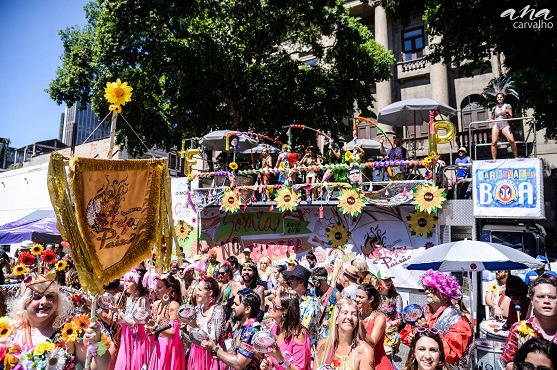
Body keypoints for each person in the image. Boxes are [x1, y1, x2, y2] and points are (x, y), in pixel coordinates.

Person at [2, 273, 111, 369]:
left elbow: (96, 368)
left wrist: (96, 342)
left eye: (50, 296)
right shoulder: (9, 331)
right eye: (37, 297)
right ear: (24, 302)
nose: (44, 301)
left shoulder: (70, 332)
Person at [400, 269, 473, 370]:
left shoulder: (459, 320)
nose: (427, 291)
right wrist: (413, 339)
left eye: (432, 289)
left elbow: (453, 353)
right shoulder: (422, 311)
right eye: (426, 288)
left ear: (445, 292)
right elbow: (406, 334)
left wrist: (428, 334)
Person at [500, 274, 557, 369]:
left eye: (552, 297)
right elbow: (509, 363)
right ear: (532, 300)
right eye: (541, 297)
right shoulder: (518, 329)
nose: (546, 301)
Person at [201, 289, 263, 370]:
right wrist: (221, 353)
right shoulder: (239, 325)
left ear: (247, 309)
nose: (232, 306)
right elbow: (234, 352)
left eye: (236, 304)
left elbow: (239, 364)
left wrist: (215, 349)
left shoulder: (253, 331)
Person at [313, 298, 375, 370]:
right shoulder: (323, 346)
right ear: (336, 319)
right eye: (345, 313)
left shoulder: (365, 351)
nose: (349, 317)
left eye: (354, 314)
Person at [261, 290, 312, 370]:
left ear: (285, 311)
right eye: (272, 302)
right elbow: (272, 356)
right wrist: (268, 363)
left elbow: (299, 368)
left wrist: (281, 359)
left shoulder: (298, 334)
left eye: (274, 305)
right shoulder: (274, 328)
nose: (270, 306)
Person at [185, 275, 226, 370]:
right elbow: (191, 334)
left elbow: (213, 338)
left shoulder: (217, 310)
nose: (196, 293)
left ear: (210, 293)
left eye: (200, 290)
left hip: (210, 355)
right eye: (197, 290)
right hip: (196, 352)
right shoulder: (197, 309)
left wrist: (194, 326)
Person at [145, 273, 185, 370]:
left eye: (159, 287)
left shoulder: (174, 306)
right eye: (156, 286)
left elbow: (172, 334)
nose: (156, 290)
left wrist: (154, 326)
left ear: (169, 289)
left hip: (169, 348)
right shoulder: (155, 304)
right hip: (157, 346)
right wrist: (150, 330)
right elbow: (155, 328)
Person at [284, 264, 322, 348]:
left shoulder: (311, 303)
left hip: (308, 348)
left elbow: (303, 330)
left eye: (292, 279)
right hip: (300, 344)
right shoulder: (297, 299)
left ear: (301, 282)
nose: (289, 281)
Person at [357, 284, 393, 370]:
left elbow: (372, 343)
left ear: (371, 299)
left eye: (361, 297)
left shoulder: (379, 317)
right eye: (357, 296)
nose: (357, 299)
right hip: (358, 361)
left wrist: (360, 326)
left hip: (377, 363)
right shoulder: (357, 314)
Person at [482, 76, 520, 159]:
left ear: (503, 98)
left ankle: (516, 156)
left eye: (501, 97)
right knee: (494, 142)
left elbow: (510, 117)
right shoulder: (494, 108)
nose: (499, 98)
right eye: (498, 97)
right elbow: (493, 118)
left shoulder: (507, 106)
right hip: (496, 124)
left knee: (511, 140)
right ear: (496, 98)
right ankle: (494, 159)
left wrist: (506, 114)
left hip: (504, 123)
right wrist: (489, 120)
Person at [376, 269, 403, 357]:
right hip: (376, 330)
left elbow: (400, 319)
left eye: (390, 279)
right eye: (385, 280)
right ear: (379, 281)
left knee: (387, 359)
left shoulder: (396, 297)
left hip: (389, 334)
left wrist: (389, 324)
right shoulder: (374, 296)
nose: (389, 282)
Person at [311, 267, 338, 341]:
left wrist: (330, 321)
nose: (313, 283)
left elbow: (340, 314)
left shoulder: (336, 294)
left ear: (324, 279)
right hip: (315, 332)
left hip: (329, 333)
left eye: (315, 280)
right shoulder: (313, 292)